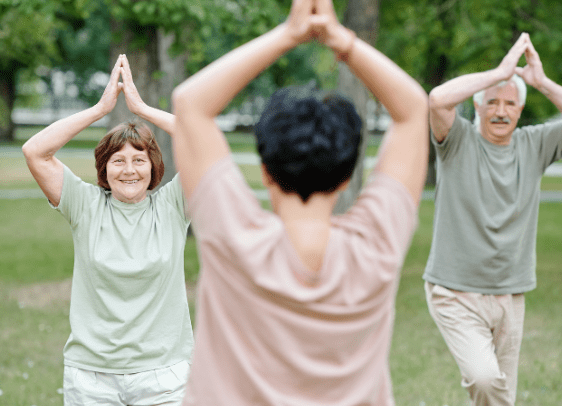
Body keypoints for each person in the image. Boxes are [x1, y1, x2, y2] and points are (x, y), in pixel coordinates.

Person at [170, 0, 429, 404]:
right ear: (346, 178)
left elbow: (190, 103)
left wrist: (289, 34)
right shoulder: (378, 247)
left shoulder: (234, 239)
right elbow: (413, 110)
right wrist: (339, 38)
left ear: (266, 172)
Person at [424, 33, 562, 405]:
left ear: (520, 109)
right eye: (492, 102)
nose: (501, 111)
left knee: (503, 396)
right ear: (478, 105)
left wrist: (541, 82)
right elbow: (437, 99)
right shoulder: (457, 142)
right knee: (486, 381)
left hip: (509, 294)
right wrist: (499, 73)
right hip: (454, 292)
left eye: (509, 103)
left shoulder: (533, 145)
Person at [22, 54, 193, 406]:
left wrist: (141, 108)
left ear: (153, 166)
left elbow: (204, 139)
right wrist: (100, 109)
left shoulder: (173, 206)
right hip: (91, 380)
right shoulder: (85, 205)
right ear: (104, 168)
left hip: (165, 377)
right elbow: (35, 152)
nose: (129, 170)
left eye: (138, 159)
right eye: (118, 160)